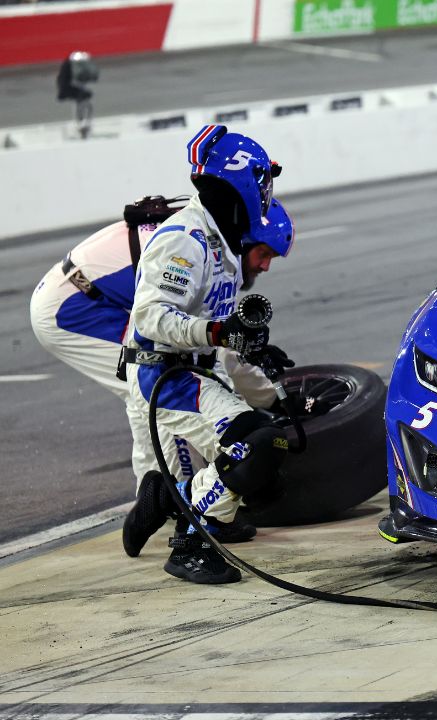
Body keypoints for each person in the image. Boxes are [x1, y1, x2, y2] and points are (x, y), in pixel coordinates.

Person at [29, 197, 293, 548]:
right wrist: (272, 399)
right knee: (159, 385)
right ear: (243, 239)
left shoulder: (213, 236)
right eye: (264, 253)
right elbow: (218, 355)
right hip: (76, 306)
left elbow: (214, 345)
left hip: (96, 293)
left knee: (160, 384)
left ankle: (158, 492)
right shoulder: (196, 245)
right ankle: (178, 504)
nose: (265, 267)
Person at [120, 124, 296, 584]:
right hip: (163, 378)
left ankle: (172, 497)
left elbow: (215, 333)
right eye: (263, 181)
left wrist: (246, 344)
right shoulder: (186, 239)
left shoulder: (223, 242)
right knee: (257, 445)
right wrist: (218, 331)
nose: (266, 191)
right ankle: (191, 540)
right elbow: (150, 320)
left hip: (193, 374)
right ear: (240, 179)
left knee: (266, 462)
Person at [55, 51, 98, 139]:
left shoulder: (68, 65)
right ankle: (82, 123)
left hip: (67, 87)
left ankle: (81, 123)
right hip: (67, 88)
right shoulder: (72, 65)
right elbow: (74, 79)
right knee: (84, 101)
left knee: (82, 102)